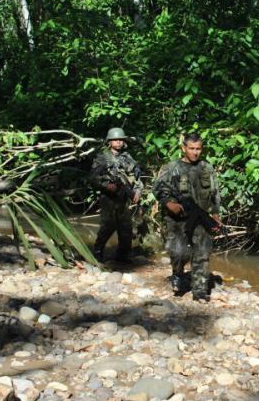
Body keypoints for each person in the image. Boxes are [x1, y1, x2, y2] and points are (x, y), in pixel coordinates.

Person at [152, 132, 221, 301]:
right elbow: (158, 189)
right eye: (191, 148)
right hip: (178, 218)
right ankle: (177, 274)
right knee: (179, 252)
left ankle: (200, 291)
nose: (195, 152)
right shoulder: (171, 167)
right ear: (184, 148)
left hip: (201, 217)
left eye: (198, 149)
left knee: (202, 253)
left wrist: (216, 213)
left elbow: (215, 192)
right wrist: (169, 203)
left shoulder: (207, 168)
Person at [89, 127, 142, 262]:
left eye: (120, 140)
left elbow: (136, 177)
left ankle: (123, 256)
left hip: (124, 197)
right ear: (109, 142)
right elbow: (93, 178)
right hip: (108, 198)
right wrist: (106, 185)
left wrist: (137, 191)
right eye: (115, 140)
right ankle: (98, 253)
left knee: (126, 228)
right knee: (107, 226)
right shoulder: (103, 158)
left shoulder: (127, 157)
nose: (118, 142)